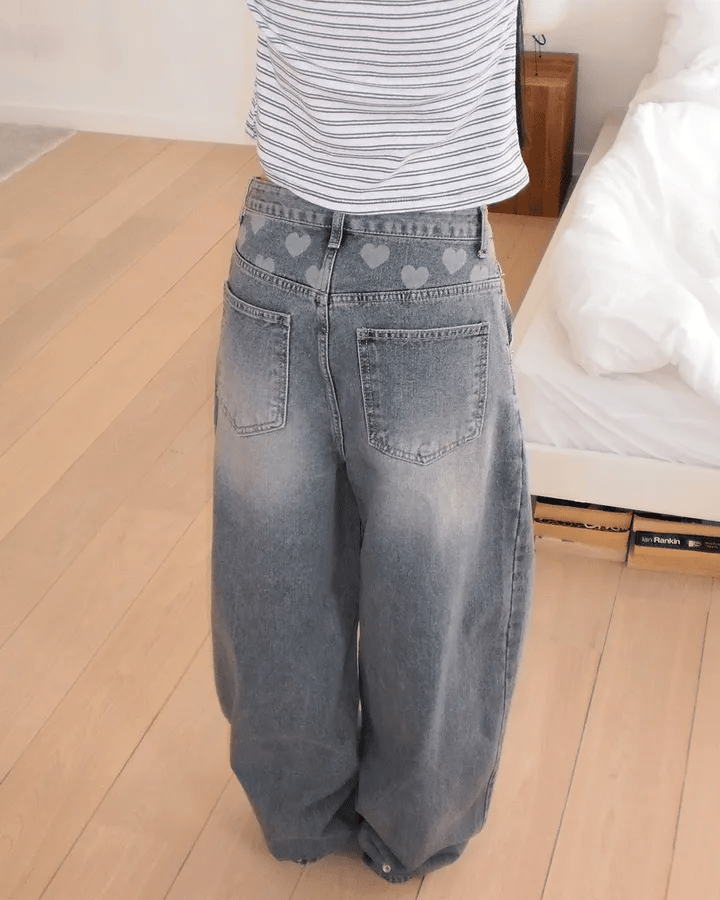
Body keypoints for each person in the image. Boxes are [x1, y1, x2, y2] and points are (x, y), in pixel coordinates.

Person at [211, 0, 534, 884]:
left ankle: (296, 814)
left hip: (276, 251)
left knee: (270, 567)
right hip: (432, 273)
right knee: (437, 583)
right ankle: (415, 830)